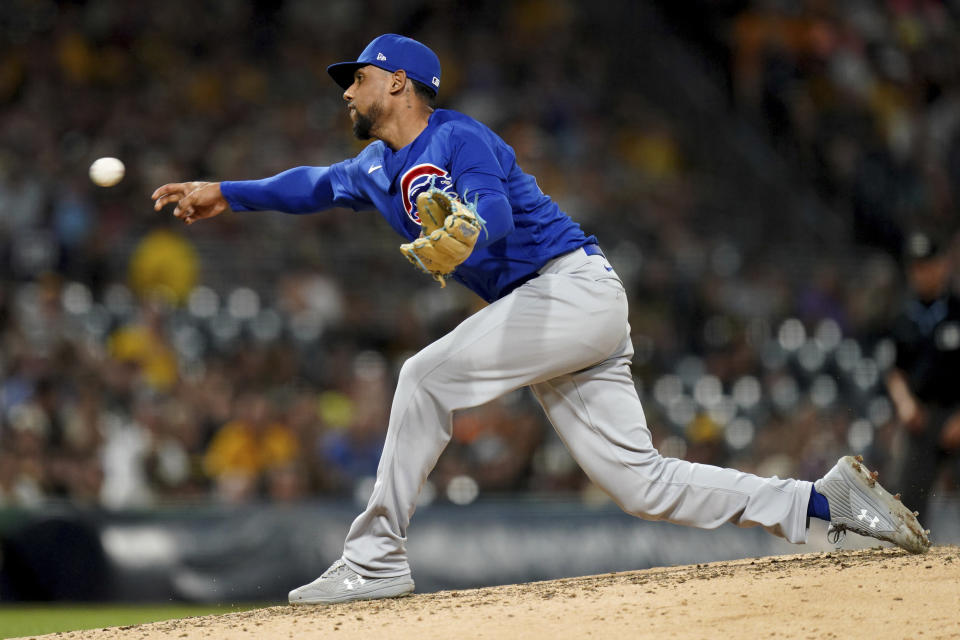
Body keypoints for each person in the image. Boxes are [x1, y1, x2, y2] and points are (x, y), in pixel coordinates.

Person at [152, 34, 931, 605]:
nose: (345, 91)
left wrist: (472, 233)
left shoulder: (455, 135)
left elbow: (487, 203)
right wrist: (228, 190)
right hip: (555, 315)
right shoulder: (373, 168)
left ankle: (377, 556)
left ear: (397, 82)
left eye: (355, 77)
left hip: (570, 292)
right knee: (641, 483)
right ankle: (826, 509)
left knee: (423, 377)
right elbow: (313, 185)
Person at [886, 231, 960, 520]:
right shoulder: (904, 317)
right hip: (920, 417)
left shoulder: (957, 311)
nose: (921, 273)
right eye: (915, 267)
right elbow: (895, 371)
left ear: (942, 265)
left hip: (956, 414)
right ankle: (910, 560)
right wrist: (905, 404)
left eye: (927, 264)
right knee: (905, 498)